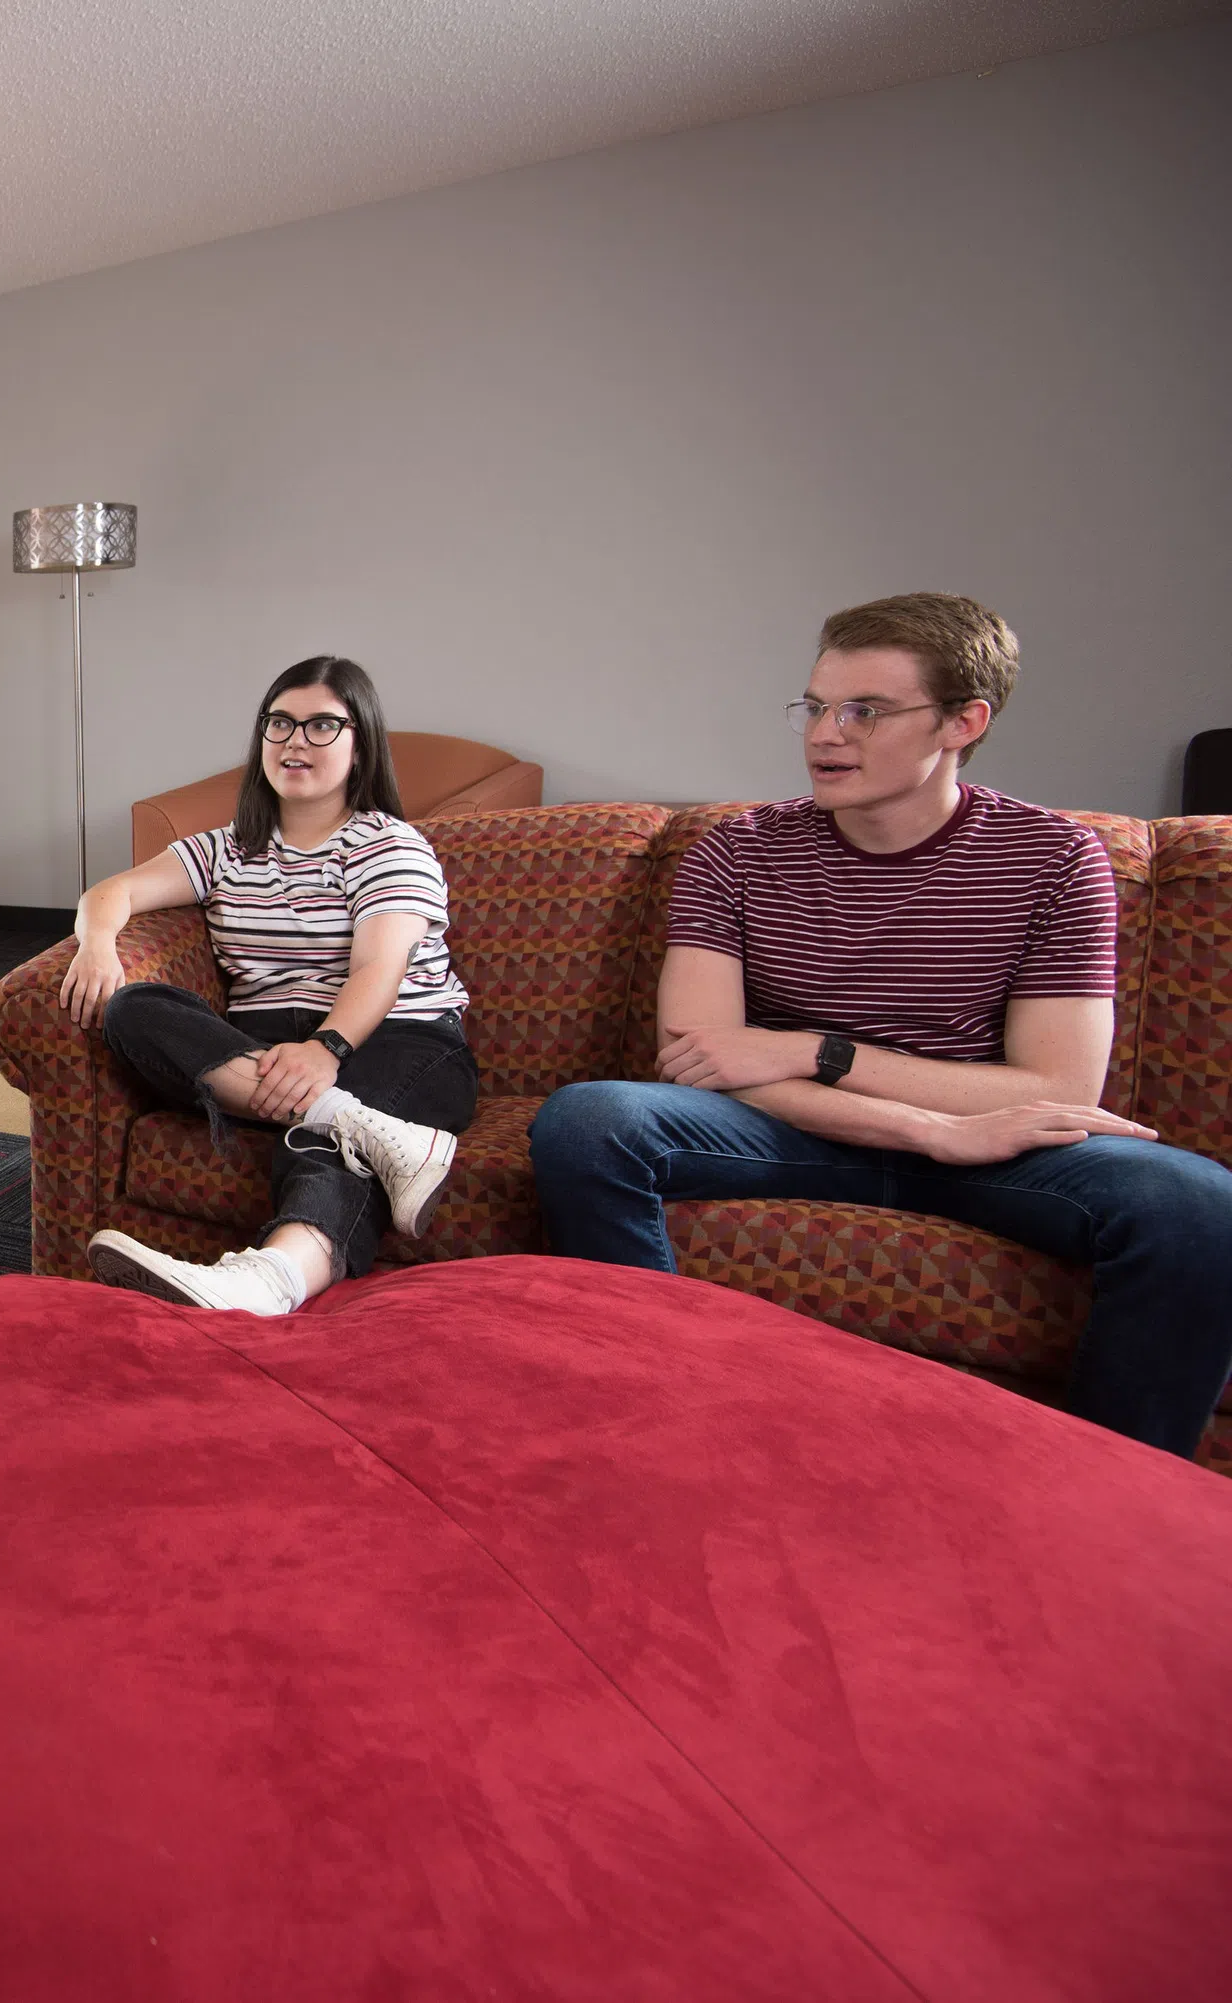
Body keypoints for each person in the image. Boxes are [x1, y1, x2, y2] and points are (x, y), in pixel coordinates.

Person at [530, 593, 1232, 1457]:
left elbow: (1057, 1089)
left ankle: (1110, 1487)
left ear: (960, 722)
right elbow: (698, 1058)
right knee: (589, 1120)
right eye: (816, 706)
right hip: (797, 1131)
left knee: (1198, 1203)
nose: (826, 734)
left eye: (865, 711)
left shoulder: (1055, 859)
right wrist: (926, 1126)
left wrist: (810, 1050)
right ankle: (666, 1413)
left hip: (997, 1153)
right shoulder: (736, 852)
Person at [69, 656, 476, 1315]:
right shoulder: (227, 849)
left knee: (324, 1148)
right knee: (135, 1007)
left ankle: (263, 1281)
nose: (294, 740)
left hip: (402, 1037)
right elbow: (111, 892)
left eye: (322, 726)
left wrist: (327, 1050)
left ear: (361, 743)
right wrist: (96, 943)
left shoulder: (389, 845)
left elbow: (380, 968)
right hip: (265, 1040)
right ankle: (367, 1127)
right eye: (279, 722)